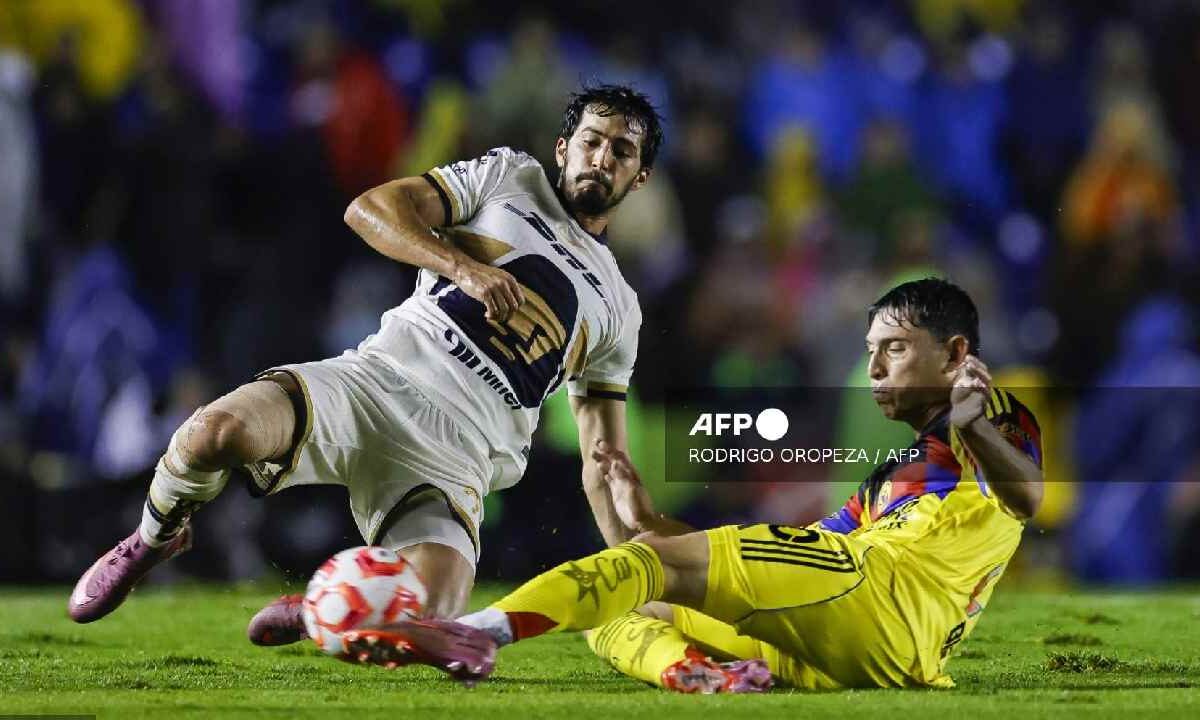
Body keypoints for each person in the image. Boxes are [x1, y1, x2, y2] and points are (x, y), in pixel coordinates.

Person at [67, 84, 664, 644]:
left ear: (640, 177)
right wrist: (466, 269)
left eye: (622, 150)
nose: (602, 157)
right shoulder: (509, 175)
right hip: (375, 383)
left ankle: (328, 604)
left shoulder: (619, 307)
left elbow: (604, 460)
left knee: (436, 610)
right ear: (565, 147)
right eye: (591, 140)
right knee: (212, 435)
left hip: (457, 455)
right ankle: (151, 541)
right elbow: (370, 208)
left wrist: (639, 571)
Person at [335, 278, 1045, 692]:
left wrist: (976, 425)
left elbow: (1028, 497)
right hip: (863, 646)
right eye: (869, 353)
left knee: (647, 572)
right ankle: (701, 678)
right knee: (620, 612)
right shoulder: (893, 479)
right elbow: (786, 561)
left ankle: (469, 632)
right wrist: (642, 520)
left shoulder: (992, 419)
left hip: (886, 599)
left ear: (955, 353)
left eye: (893, 349)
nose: (875, 370)